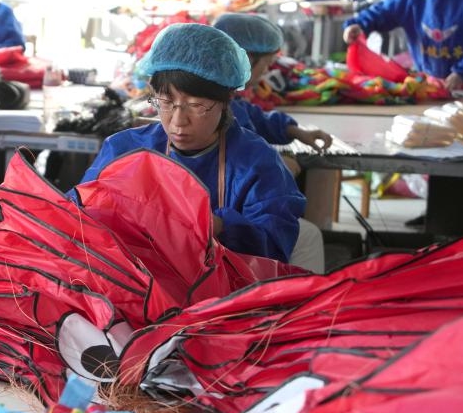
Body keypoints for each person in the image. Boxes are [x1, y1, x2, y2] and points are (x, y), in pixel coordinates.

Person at [80, 23, 306, 264]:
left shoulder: (257, 163)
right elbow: (79, 217)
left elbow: (274, 244)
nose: (178, 122)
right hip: (137, 288)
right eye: (165, 103)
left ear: (227, 99)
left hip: (223, 295)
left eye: (196, 106)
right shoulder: (123, 151)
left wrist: (219, 226)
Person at [213, 12, 333, 167]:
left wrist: (294, 131)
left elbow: (254, 117)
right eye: (267, 64)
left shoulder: (227, 98)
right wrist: (272, 165)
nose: (267, 71)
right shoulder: (214, 107)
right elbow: (237, 152)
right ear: (245, 60)